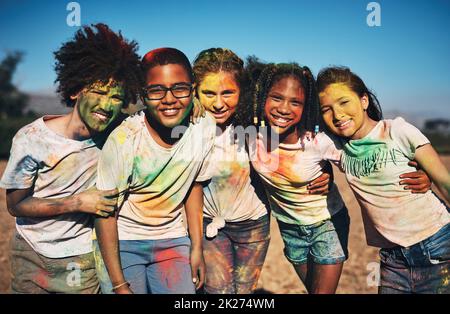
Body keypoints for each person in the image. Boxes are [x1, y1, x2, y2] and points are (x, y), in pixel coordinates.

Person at [235, 60, 432, 294]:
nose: (284, 108)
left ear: (307, 107)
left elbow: (370, 158)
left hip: (327, 224)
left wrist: (423, 170)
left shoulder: (319, 142)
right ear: (261, 98)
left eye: (295, 102)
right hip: (290, 229)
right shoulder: (249, 136)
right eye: (276, 98)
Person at [0, 23, 143, 293]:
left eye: (116, 97)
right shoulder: (32, 138)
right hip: (31, 254)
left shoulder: (116, 133)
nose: (106, 105)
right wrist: (78, 202)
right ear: (76, 89)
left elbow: (158, 117)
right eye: (99, 92)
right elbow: (15, 205)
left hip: (83, 260)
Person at [317, 66, 450, 294]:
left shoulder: (397, 131)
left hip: (436, 244)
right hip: (391, 259)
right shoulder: (338, 149)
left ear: (364, 101)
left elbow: (444, 182)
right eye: (327, 109)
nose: (337, 115)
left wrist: (426, 175)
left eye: (344, 102)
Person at [94, 47, 216, 294]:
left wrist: (196, 248)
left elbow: (194, 184)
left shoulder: (204, 127)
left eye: (179, 88)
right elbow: (105, 214)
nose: (169, 99)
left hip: (173, 238)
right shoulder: (124, 140)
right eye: (157, 90)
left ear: (193, 90)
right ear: (143, 94)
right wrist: (119, 285)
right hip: (123, 241)